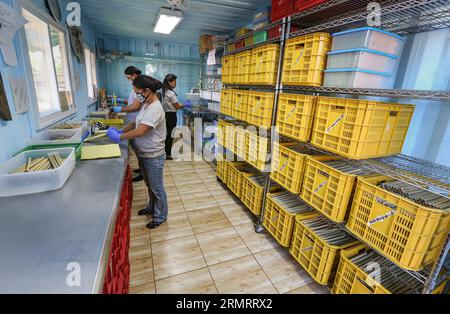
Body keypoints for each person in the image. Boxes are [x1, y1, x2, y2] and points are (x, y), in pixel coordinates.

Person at [107, 75, 168, 229]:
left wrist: (119, 137)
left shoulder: (155, 108)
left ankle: (160, 216)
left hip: (153, 155)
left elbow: (141, 131)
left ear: (147, 91)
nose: (136, 95)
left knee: (157, 188)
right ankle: (151, 208)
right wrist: (121, 130)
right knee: (150, 185)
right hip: (144, 154)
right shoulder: (146, 104)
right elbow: (136, 122)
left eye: (137, 92)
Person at [112, 66, 144, 182]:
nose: (129, 81)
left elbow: (136, 106)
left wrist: (120, 109)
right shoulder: (136, 87)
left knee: (140, 149)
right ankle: (142, 169)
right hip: (133, 121)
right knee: (137, 149)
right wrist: (122, 101)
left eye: (129, 78)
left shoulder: (141, 87)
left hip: (137, 120)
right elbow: (132, 102)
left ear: (134, 75)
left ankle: (143, 172)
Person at [162, 74, 184, 159]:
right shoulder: (171, 93)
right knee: (170, 135)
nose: (176, 84)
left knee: (167, 134)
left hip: (166, 114)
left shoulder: (164, 91)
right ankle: (168, 154)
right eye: (175, 82)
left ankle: (165, 152)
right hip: (171, 115)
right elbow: (177, 106)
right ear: (169, 82)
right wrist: (185, 105)